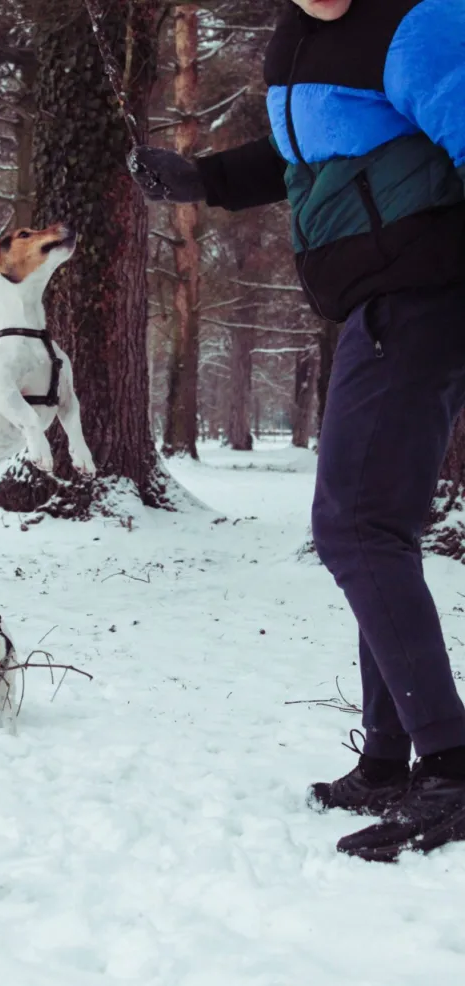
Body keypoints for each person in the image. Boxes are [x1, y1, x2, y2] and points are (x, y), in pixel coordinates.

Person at [130, 0, 465, 862]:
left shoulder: (419, 22)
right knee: (374, 528)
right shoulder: (299, 34)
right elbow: (303, 156)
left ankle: (453, 767)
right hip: (371, 302)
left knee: (355, 527)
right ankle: (391, 759)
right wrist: (201, 178)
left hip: (425, 296)